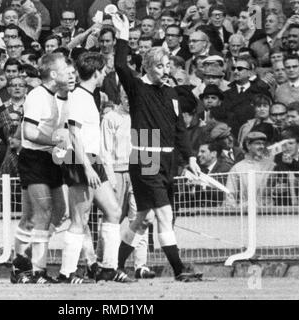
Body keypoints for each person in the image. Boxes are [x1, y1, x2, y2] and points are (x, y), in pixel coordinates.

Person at [112, 13, 202, 282]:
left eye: (168, 66)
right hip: (146, 154)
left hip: (167, 158)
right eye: (161, 67)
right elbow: (120, 65)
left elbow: (179, 130)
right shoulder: (138, 87)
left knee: (142, 217)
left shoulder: (171, 92)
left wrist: (192, 159)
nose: (166, 71)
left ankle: (115, 266)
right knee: (164, 213)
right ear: (149, 67)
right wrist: (123, 37)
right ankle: (179, 269)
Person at [58, 52, 132, 284]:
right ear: (97, 72)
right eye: (104, 71)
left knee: (113, 211)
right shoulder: (79, 97)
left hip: (92, 160)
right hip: (81, 160)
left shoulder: (90, 96)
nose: (105, 75)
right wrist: (88, 167)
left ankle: (108, 267)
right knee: (80, 219)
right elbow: (74, 134)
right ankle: (67, 272)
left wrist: (100, 167)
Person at [10, 52, 69, 284]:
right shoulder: (36, 95)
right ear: (54, 74)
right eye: (65, 68)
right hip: (34, 157)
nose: (69, 71)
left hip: (49, 158)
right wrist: (56, 140)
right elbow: (30, 132)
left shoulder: (57, 96)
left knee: (58, 211)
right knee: (39, 214)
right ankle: (34, 269)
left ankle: (25, 260)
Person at [100, 90, 155, 280]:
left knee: (140, 217)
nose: (129, 101)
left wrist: (150, 174)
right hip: (117, 170)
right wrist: (110, 176)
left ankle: (141, 265)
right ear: (121, 98)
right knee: (112, 218)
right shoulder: (111, 117)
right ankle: (106, 264)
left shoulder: (147, 115)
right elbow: (105, 149)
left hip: (139, 171)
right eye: (126, 97)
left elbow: (150, 145)